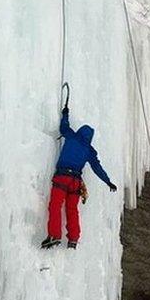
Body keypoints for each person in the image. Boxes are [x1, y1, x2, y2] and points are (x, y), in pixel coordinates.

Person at [41, 107, 117, 250]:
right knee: (72, 209)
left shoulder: (72, 136)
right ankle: (73, 239)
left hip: (62, 177)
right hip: (75, 182)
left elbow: (64, 127)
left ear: (81, 131)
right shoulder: (89, 150)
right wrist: (108, 182)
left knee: (55, 206)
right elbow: (97, 168)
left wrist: (65, 114)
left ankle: (54, 235)